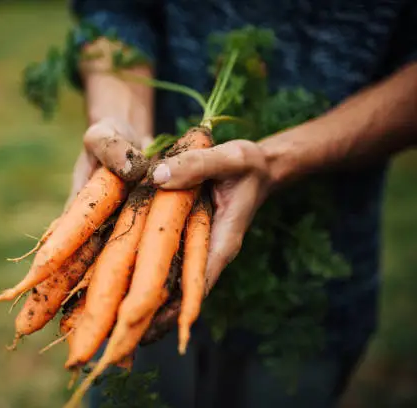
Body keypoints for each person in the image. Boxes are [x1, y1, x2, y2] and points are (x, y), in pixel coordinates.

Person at [65, 1, 417, 407]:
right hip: (137, 281)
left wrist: (275, 160)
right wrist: (120, 130)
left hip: (303, 292)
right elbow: (114, 12)